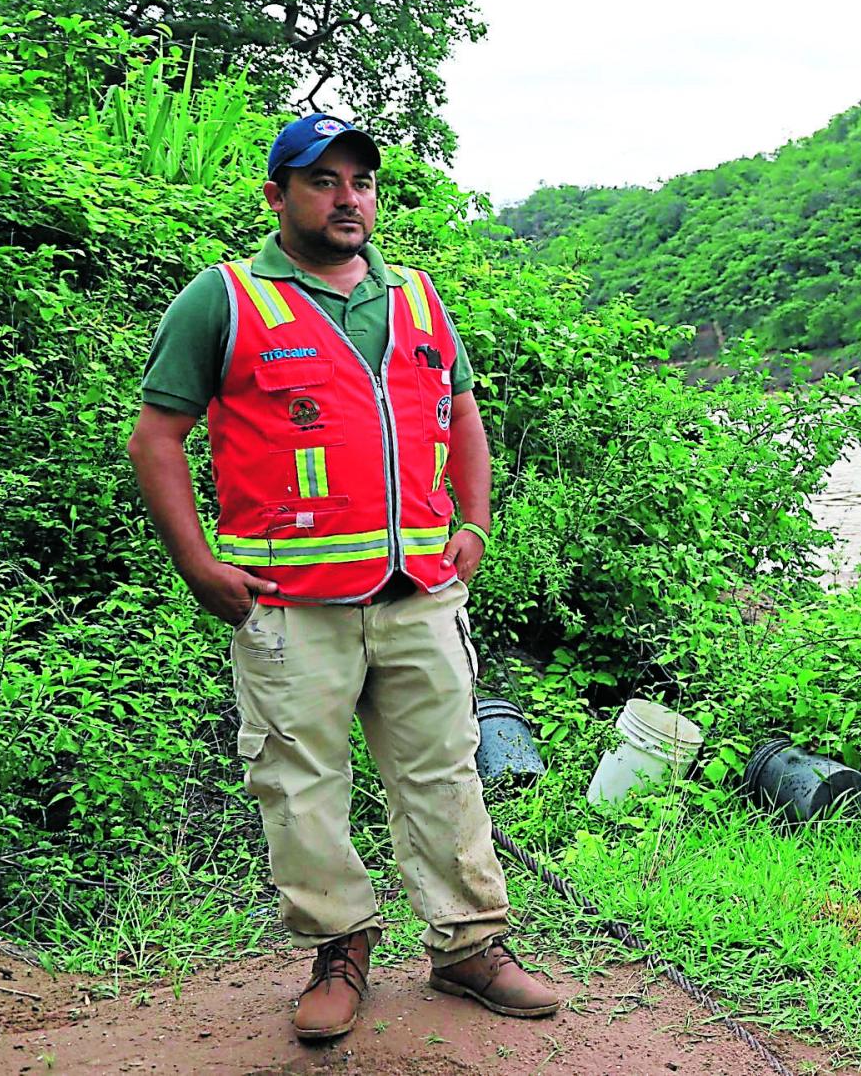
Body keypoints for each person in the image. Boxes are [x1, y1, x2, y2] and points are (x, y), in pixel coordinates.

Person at [126, 113, 559, 1042]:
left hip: (418, 599)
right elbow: (157, 435)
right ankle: (340, 949)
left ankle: (469, 947)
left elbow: (462, 414)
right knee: (299, 786)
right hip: (290, 612)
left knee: (445, 773)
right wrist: (198, 562)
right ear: (279, 196)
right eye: (322, 180)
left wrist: (474, 522)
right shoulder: (226, 299)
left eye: (360, 180)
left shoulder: (415, 299)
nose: (347, 196)